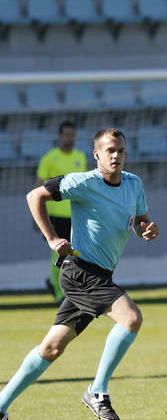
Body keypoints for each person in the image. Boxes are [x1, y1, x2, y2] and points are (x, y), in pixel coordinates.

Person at [0, 128, 159, 420]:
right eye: (110, 150)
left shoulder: (134, 184)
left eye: (121, 150)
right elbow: (35, 196)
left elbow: (139, 221)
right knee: (131, 318)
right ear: (97, 154)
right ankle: (97, 391)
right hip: (80, 271)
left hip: (100, 275)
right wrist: (52, 238)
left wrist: (146, 231)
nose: (116, 155)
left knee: (51, 348)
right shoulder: (82, 182)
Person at [35, 120, 87, 304]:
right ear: (60, 136)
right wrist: (37, 215)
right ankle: (59, 294)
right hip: (55, 215)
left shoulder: (80, 157)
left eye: (72, 134)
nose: (69, 138)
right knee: (59, 252)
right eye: (66, 134)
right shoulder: (50, 158)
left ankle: (65, 288)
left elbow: (83, 187)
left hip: (75, 214)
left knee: (75, 254)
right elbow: (38, 187)